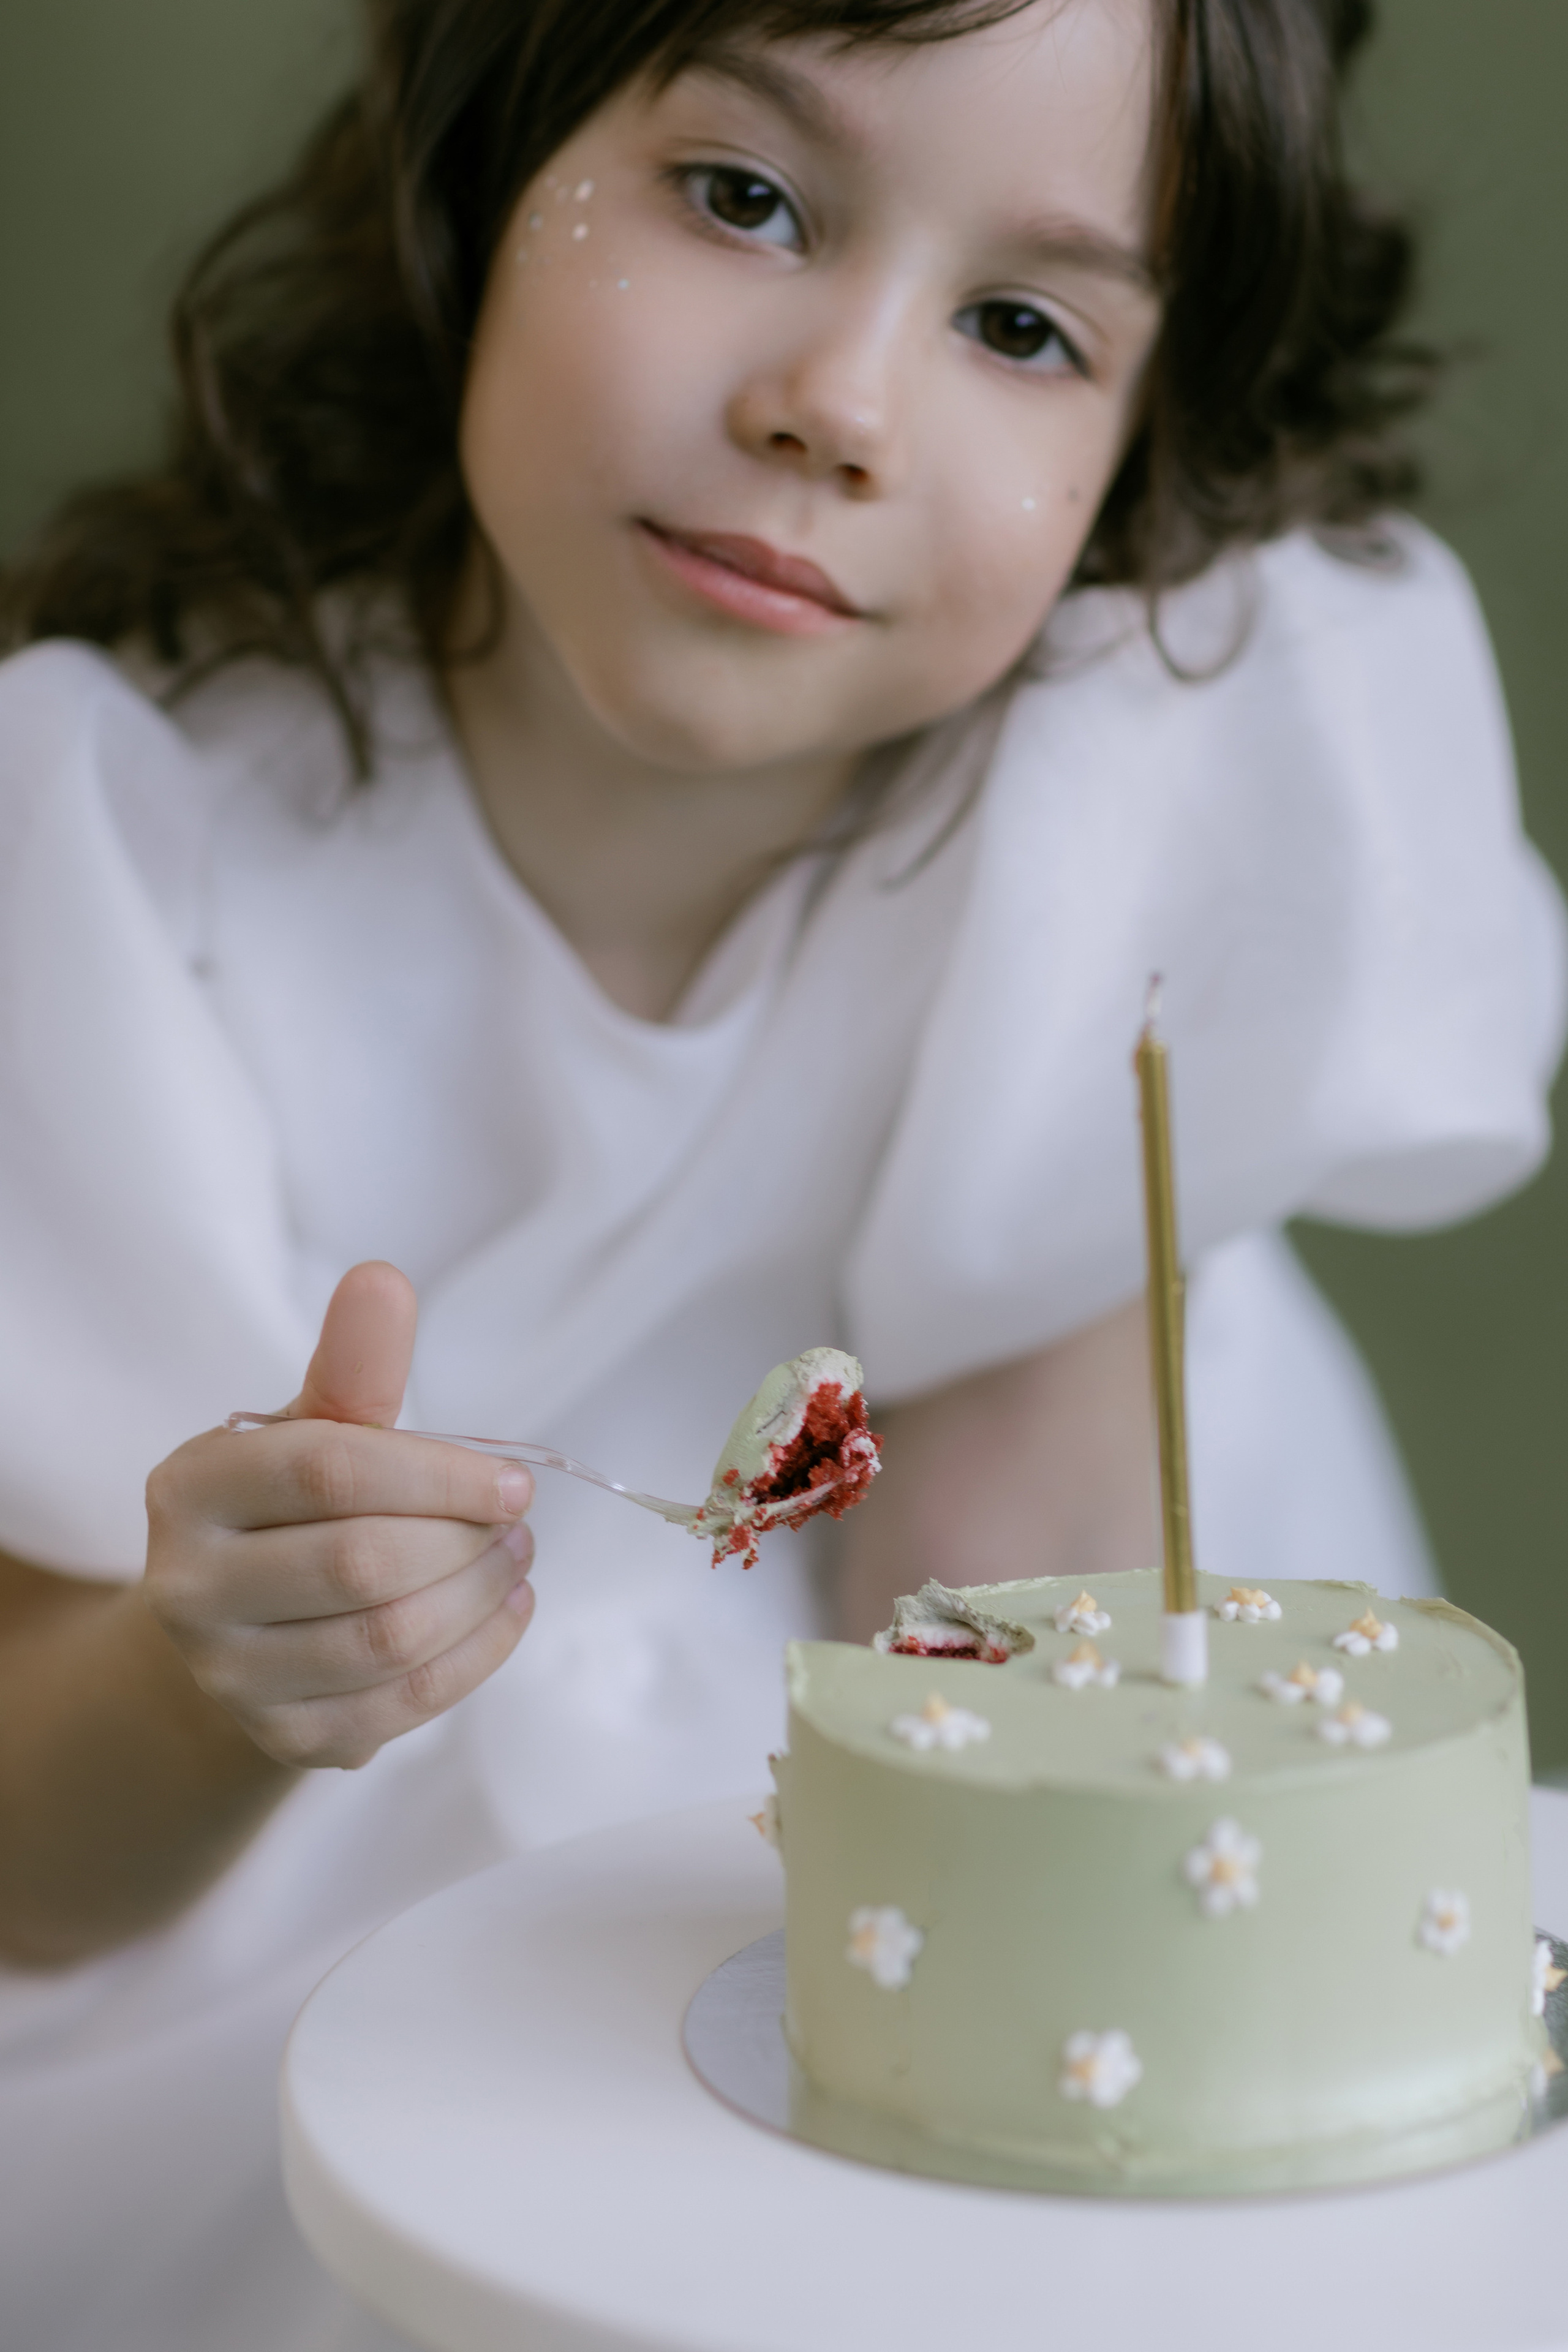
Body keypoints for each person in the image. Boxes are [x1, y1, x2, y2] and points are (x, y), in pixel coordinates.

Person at [0, 0, 1560, 2343]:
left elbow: (1021, 1671)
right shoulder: (118, 855)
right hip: (315, 2002)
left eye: (1023, 327)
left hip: (982, 1917)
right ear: (489, 152)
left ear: (1144, 450)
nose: (838, 400)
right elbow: (37, 1868)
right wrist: (211, 1681)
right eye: (743, 197)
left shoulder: (1126, 823)